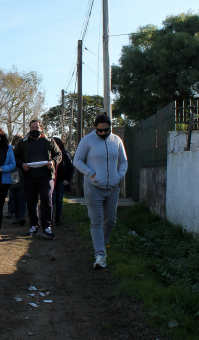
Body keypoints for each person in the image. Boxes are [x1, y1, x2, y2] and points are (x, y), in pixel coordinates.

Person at [73, 113, 128, 269]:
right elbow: (77, 160)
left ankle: (101, 244)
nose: (103, 133)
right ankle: (100, 256)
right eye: (100, 130)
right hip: (93, 187)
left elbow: (123, 161)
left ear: (110, 128)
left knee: (110, 220)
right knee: (96, 221)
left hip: (112, 187)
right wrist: (91, 173)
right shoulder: (87, 140)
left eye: (106, 130)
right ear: (95, 128)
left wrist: (120, 175)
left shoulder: (117, 140)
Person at [13, 120, 62, 239]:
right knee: (31, 201)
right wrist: (22, 164)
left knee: (46, 199)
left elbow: (58, 154)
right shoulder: (22, 142)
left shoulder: (49, 141)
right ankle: (34, 226)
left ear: (41, 128)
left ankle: (47, 227)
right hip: (29, 177)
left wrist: (53, 162)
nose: (35, 129)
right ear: (29, 129)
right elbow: (15, 157)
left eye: (37, 127)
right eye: (32, 127)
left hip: (46, 176)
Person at [52, 137, 74, 226]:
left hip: (61, 181)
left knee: (59, 201)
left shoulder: (64, 155)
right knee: (51, 200)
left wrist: (68, 180)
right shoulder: (49, 155)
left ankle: (58, 220)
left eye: (57, 144)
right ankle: (49, 220)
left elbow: (71, 168)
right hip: (51, 181)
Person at [9, 134, 26, 226]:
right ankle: (17, 217)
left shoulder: (25, 149)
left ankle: (21, 216)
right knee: (14, 196)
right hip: (14, 174)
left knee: (21, 196)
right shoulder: (10, 150)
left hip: (22, 174)